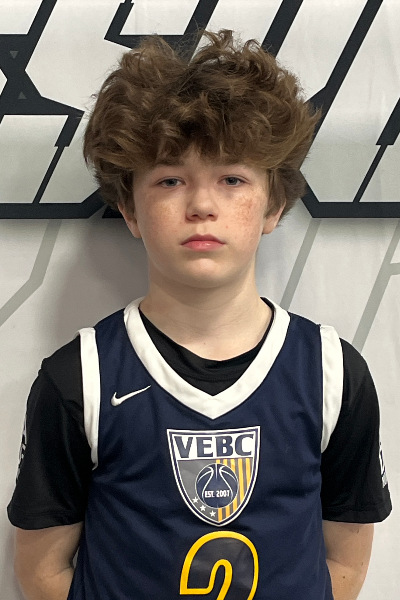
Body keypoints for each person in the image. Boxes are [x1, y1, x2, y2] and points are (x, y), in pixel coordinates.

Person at [8, 30, 391, 600]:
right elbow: (42, 570)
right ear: (129, 209)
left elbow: (346, 559)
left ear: (274, 204)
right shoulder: (79, 378)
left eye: (232, 179)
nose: (202, 205)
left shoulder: (334, 373)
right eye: (170, 180)